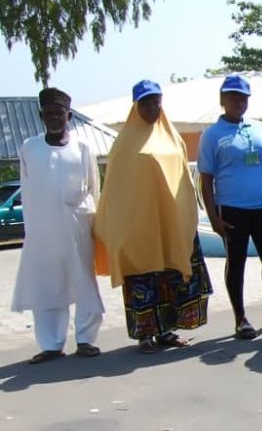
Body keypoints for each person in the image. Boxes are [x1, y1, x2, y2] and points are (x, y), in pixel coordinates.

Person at [93, 80, 213, 353]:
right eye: (145, 102)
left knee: (170, 276)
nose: (152, 107)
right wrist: (116, 226)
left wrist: (188, 217)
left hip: (171, 222)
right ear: (135, 106)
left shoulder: (172, 138)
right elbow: (115, 189)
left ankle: (167, 331)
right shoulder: (124, 144)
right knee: (143, 278)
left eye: (156, 101)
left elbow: (184, 182)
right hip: (139, 226)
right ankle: (145, 334)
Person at [11, 87, 104, 363]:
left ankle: (86, 339)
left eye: (59, 113)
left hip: (77, 229)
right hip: (43, 232)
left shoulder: (83, 148)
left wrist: (96, 226)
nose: (54, 118)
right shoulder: (29, 148)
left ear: (69, 116)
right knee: (47, 285)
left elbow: (93, 188)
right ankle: (51, 344)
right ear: (41, 116)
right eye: (48, 113)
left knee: (84, 282)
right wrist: (32, 230)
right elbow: (28, 191)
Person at [198, 74, 262, 339]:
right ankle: (240, 318)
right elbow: (206, 179)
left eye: (243, 98)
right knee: (236, 262)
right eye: (233, 97)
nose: (238, 102)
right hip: (233, 209)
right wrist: (213, 216)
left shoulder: (259, 128)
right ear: (222, 100)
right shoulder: (212, 135)